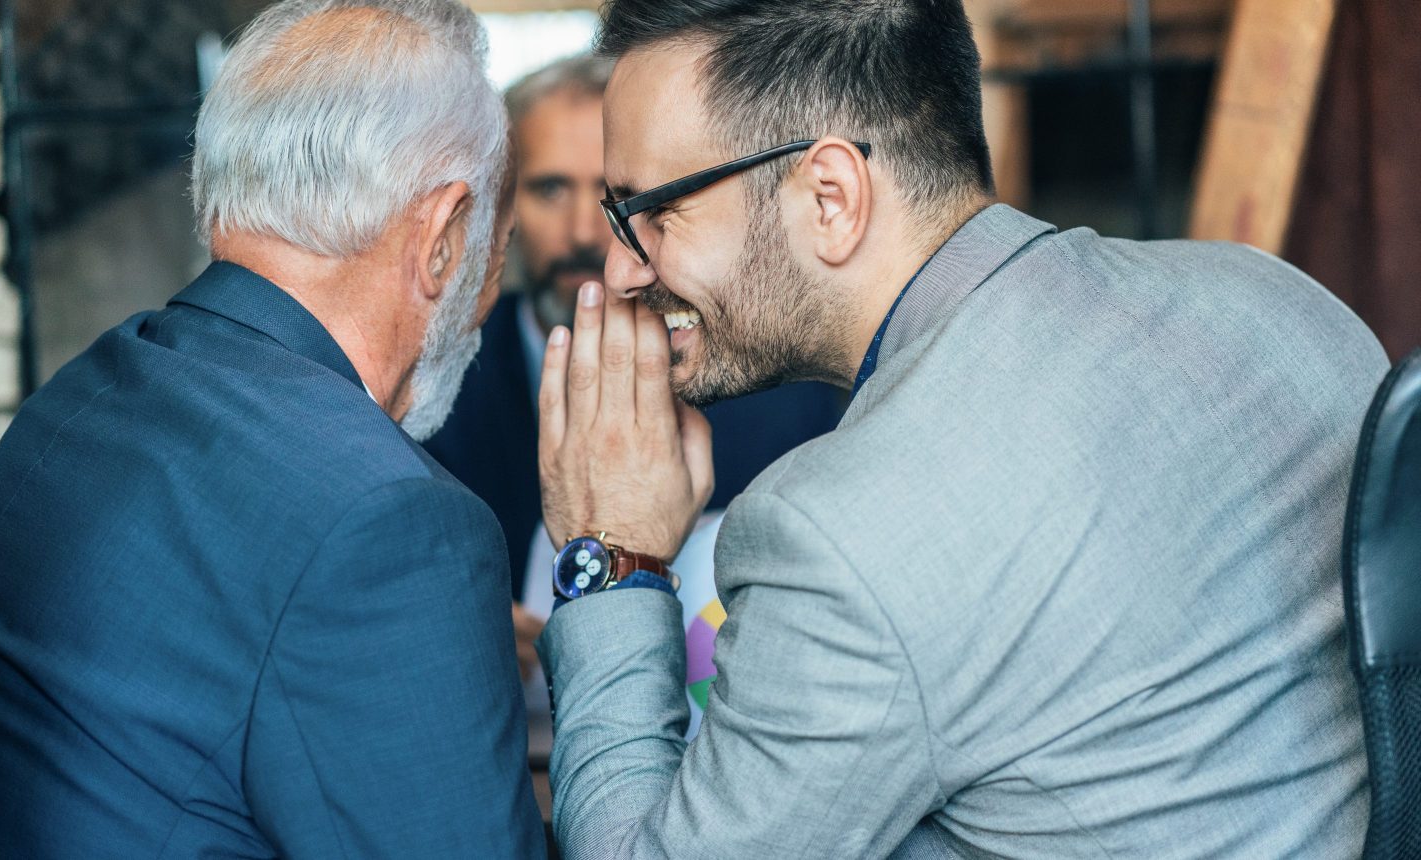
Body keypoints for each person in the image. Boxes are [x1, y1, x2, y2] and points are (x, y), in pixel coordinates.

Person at [533, 1, 1387, 857]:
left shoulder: (836, 537)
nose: (620, 267)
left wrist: (612, 556)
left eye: (653, 211)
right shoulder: (1280, 302)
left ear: (831, 198)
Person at [0, 1, 543, 857]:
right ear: (440, 237)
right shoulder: (396, 523)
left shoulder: (81, 396)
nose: (489, 282)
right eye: (496, 243)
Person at [423, 54, 842, 685]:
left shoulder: (789, 399)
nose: (586, 233)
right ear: (500, 209)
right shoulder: (435, 393)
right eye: (549, 189)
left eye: (616, 197)